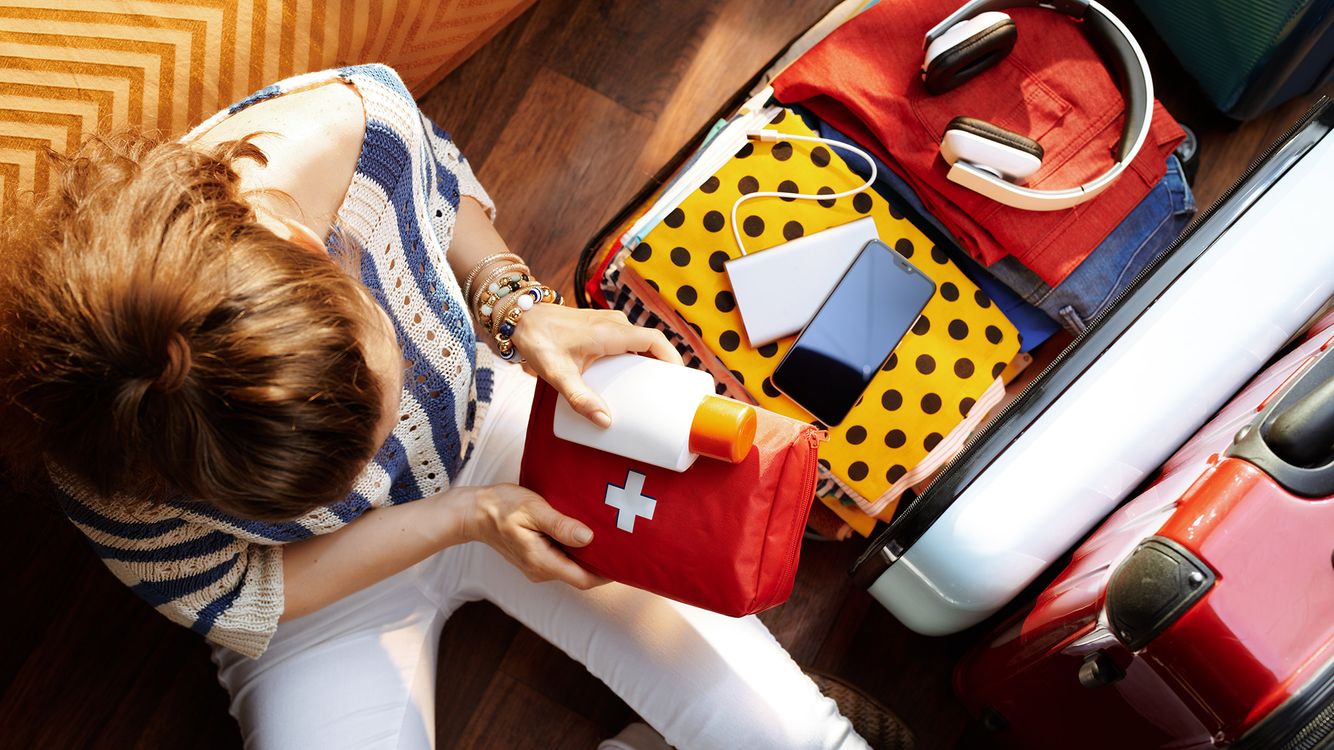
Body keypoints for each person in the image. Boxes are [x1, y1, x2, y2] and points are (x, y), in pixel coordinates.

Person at [0, 65, 884, 749]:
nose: (380, 467)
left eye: (384, 404)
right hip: (315, 587)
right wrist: (463, 518)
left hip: (497, 433)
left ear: (316, 249)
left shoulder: (352, 129)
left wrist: (514, 306)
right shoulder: (106, 439)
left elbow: (441, 191)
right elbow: (234, 594)